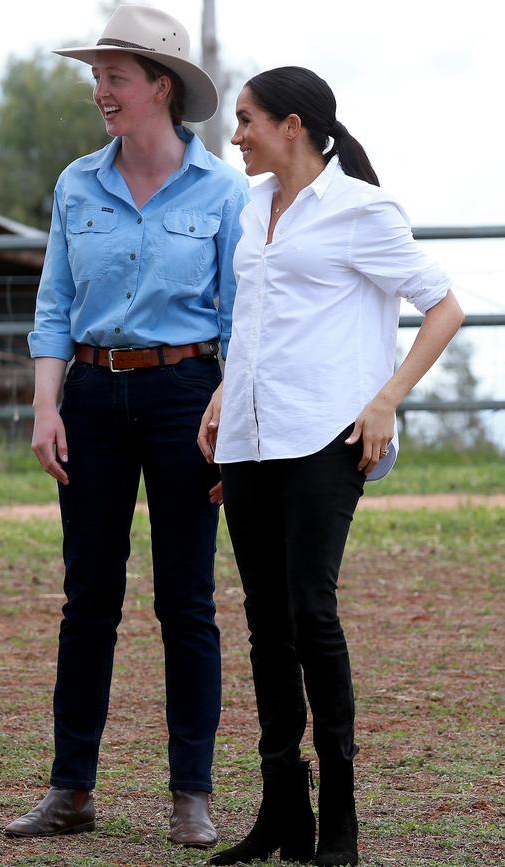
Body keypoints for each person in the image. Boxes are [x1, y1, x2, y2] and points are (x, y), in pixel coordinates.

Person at [198, 66, 464, 867]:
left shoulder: (361, 210)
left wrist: (386, 399)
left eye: (246, 120)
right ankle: (284, 806)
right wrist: (220, 393)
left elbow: (444, 304)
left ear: (293, 124)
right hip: (247, 437)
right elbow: (255, 318)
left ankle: (340, 811)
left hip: (325, 436)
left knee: (310, 609)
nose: (236, 134)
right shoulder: (251, 208)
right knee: (264, 622)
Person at [4, 5, 248, 848]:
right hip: (93, 399)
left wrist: (227, 410)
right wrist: (45, 406)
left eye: (114, 76)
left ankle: (192, 793)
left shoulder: (224, 191)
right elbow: (54, 307)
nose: (99, 90)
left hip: (190, 398)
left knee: (187, 601)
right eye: (96, 76)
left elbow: (243, 317)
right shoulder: (79, 183)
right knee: (88, 600)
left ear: (161, 87)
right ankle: (71, 789)